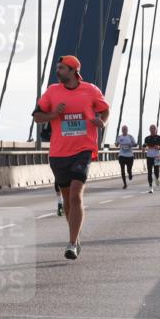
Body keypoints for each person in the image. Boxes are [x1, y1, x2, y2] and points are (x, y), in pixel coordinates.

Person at [33, 55, 109, 260]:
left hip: (83, 149)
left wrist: (101, 121)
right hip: (58, 153)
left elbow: (104, 109)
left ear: (73, 71)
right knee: (67, 199)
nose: (58, 71)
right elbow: (37, 116)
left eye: (62, 68)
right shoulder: (52, 91)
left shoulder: (91, 90)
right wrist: (53, 115)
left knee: (76, 194)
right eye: (57, 67)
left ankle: (72, 243)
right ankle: (75, 235)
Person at [143, 124, 160, 193]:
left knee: (156, 172)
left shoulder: (159, 138)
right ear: (149, 130)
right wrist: (144, 148)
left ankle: (157, 178)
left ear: (156, 130)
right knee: (149, 172)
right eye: (151, 129)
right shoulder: (147, 138)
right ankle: (150, 187)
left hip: (157, 157)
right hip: (149, 156)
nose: (152, 130)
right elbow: (144, 146)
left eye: (154, 128)